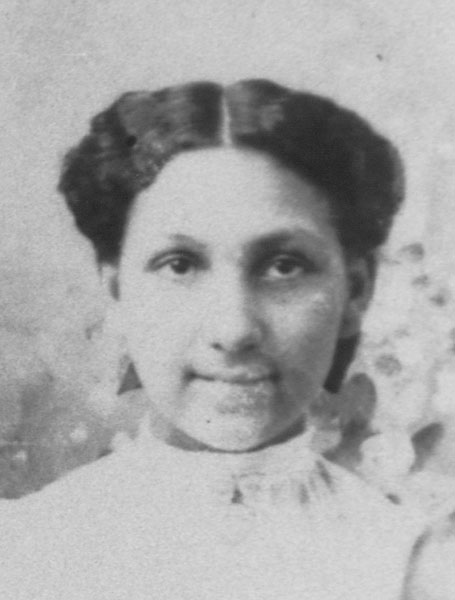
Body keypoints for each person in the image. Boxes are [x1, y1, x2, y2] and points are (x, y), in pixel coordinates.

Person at [0, 78, 439, 599]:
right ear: (117, 290)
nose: (234, 330)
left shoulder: (410, 565)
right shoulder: (25, 553)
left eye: (284, 266)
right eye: (179, 265)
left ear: (356, 291)